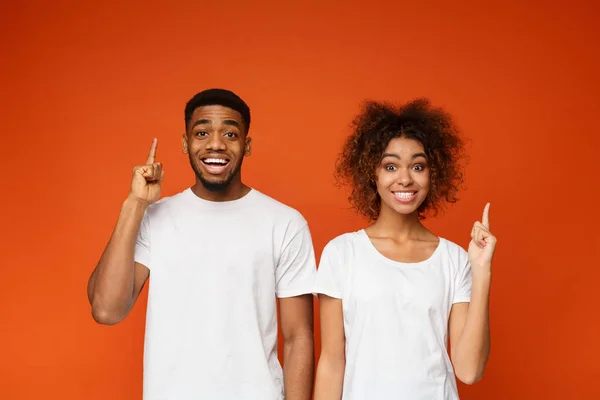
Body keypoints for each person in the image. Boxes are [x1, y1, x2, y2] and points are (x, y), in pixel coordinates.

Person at [86, 88, 317, 400]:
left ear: (246, 145)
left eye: (230, 133)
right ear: (186, 143)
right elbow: (106, 310)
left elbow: (298, 337)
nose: (216, 144)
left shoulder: (285, 223)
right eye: (203, 132)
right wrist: (135, 204)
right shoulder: (154, 218)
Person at [313, 98, 496, 399]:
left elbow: (469, 371)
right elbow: (332, 363)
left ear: (432, 174)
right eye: (390, 165)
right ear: (372, 173)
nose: (405, 178)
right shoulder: (342, 253)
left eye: (418, 166)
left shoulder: (454, 259)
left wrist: (482, 270)